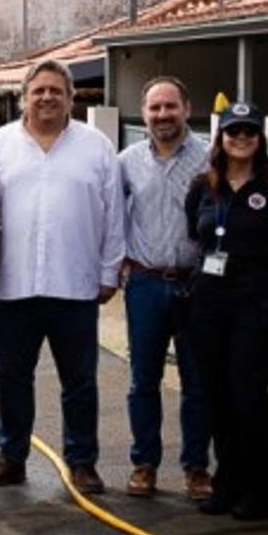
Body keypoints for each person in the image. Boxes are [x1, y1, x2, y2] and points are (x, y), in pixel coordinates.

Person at [0, 60, 124, 496]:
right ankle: (12, 456)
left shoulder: (97, 148)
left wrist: (109, 271)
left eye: (55, 91)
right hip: (13, 284)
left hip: (74, 284)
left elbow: (114, 215)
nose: (46, 98)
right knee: (12, 376)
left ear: (70, 97)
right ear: (24, 96)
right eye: (38, 90)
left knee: (79, 381)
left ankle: (81, 462)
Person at [184, 103, 268, 520]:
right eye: (233, 132)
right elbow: (196, 236)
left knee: (248, 397)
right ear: (221, 139)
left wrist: (261, 281)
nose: (241, 138)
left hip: (254, 303)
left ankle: (256, 490)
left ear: (259, 139)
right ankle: (226, 483)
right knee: (216, 394)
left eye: (249, 132)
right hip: (209, 302)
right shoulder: (204, 186)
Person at [116, 76, 213, 501]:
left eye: (170, 106)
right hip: (146, 284)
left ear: (186, 108)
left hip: (196, 285)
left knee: (198, 382)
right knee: (143, 381)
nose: (162, 115)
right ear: (144, 112)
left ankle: (196, 469)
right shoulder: (126, 161)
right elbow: (110, 215)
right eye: (154, 108)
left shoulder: (212, 157)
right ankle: (144, 464)